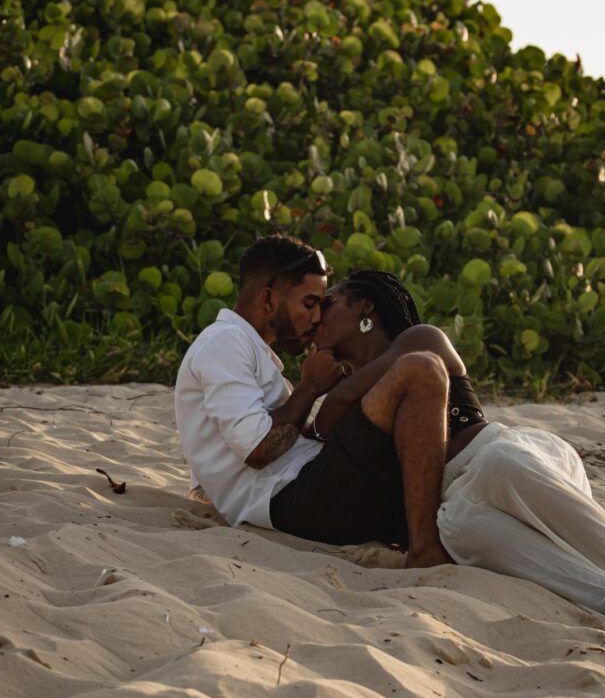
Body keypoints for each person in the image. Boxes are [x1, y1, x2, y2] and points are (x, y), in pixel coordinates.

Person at [309, 269, 605, 630]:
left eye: (328, 302)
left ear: (366, 307)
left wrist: (318, 387)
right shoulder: (350, 391)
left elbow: (339, 402)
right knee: (461, 528)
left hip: (504, 454)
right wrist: (309, 386)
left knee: (499, 466)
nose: (316, 315)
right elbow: (321, 436)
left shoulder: (420, 338)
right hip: (455, 498)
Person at [174, 234, 451, 568]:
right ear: (268, 299)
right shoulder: (224, 342)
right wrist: (310, 388)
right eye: (309, 303)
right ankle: (424, 552)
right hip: (300, 497)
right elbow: (257, 450)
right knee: (421, 368)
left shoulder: (245, 349)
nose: (317, 317)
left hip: (307, 490)